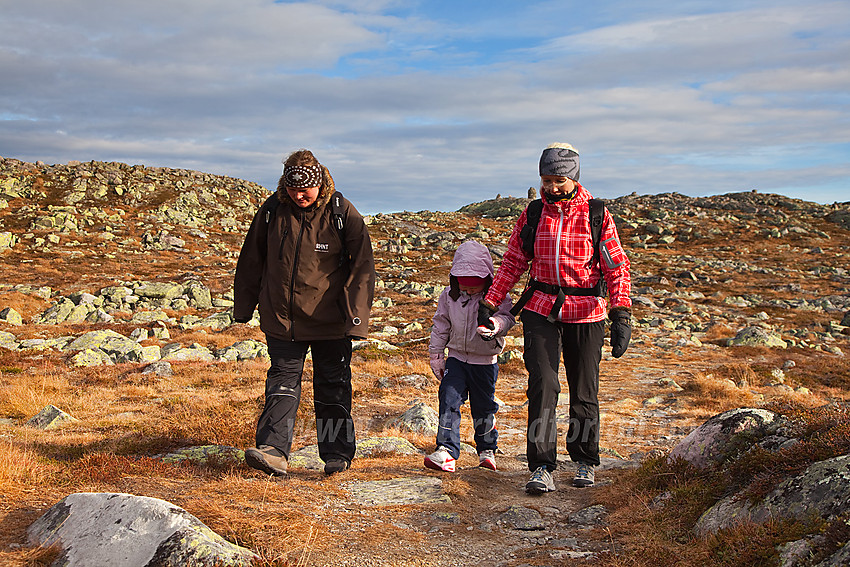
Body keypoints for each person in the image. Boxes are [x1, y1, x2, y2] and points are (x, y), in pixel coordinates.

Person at [478, 142, 631, 492]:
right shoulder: (533, 214)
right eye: (546, 179)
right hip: (540, 310)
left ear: (573, 176)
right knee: (542, 387)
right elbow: (514, 261)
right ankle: (541, 466)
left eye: (559, 179)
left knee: (584, 390)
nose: (552, 187)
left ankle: (584, 460)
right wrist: (491, 301)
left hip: (587, 312)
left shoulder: (597, 214)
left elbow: (616, 266)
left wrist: (621, 312)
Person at [233, 149, 375, 476]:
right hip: (283, 320)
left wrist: (356, 318)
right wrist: (244, 307)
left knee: (332, 388)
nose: (300, 195)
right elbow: (251, 260)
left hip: (332, 322)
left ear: (319, 183)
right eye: (293, 188)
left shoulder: (341, 212)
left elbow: (363, 266)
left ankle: (336, 454)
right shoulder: (272, 211)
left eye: (306, 189)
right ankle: (273, 451)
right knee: (281, 384)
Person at [425, 240, 515, 472]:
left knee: (484, 407)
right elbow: (441, 325)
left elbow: (508, 319)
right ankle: (446, 451)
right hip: (455, 360)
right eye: (465, 286)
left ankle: (486, 450)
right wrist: (436, 355)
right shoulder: (448, 296)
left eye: (475, 286)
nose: (470, 290)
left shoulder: (498, 296)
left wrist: (495, 324)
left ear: (486, 280)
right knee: (448, 400)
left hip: (484, 363)